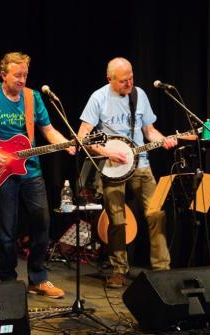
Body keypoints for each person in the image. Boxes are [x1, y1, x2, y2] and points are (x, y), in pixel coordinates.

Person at [0, 52, 72, 299]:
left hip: (31, 170)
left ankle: (38, 279)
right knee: (7, 230)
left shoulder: (33, 98)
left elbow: (48, 131)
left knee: (42, 222)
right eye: (17, 75)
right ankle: (8, 280)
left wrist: (67, 143)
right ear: (3, 75)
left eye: (25, 75)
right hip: (2, 172)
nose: (22, 80)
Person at [77, 57, 175, 288]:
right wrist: (106, 151)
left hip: (141, 163)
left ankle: (162, 270)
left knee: (156, 214)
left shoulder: (139, 95)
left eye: (131, 78)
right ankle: (119, 269)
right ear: (110, 79)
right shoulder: (98, 98)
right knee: (117, 220)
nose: (129, 83)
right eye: (123, 81)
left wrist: (164, 140)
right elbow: (82, 136)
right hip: (113, 166)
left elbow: (149, 131)